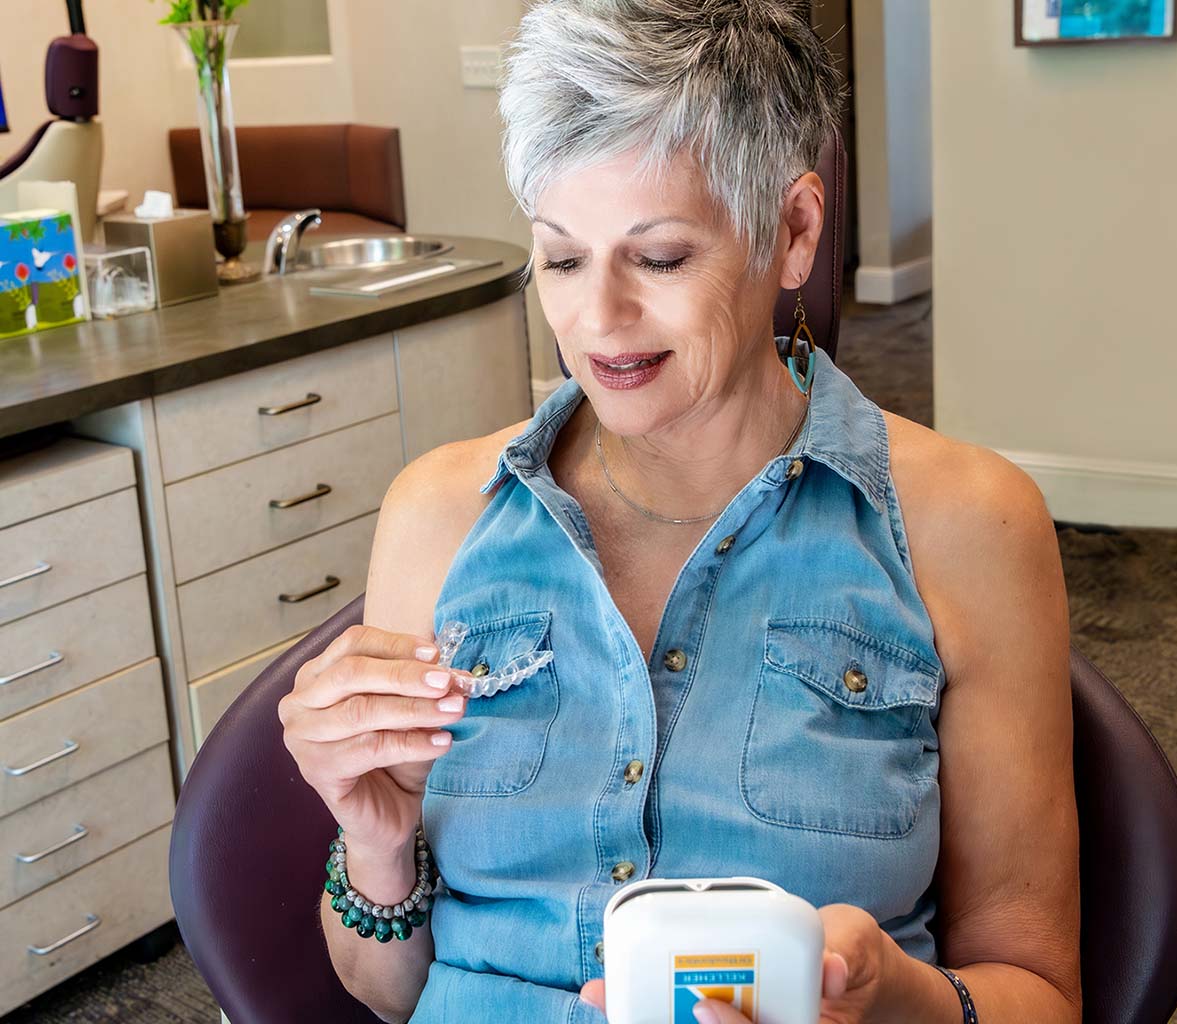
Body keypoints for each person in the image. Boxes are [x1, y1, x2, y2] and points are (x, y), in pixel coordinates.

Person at [277, 1, 1082, 1021]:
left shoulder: (965, 523)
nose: (597, 319)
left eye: (657, 258)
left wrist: (896, 1003)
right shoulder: (437, 515)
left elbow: (1038, 990)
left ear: (793, 231)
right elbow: (386, 994)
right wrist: (378, 842)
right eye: (561, 259)